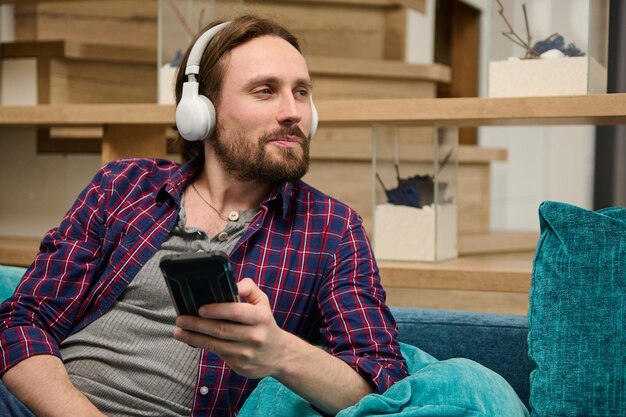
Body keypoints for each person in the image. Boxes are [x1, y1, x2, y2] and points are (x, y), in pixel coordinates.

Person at [0, 15, 408, 417]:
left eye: (301, 92)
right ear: (201, 111)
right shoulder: (123, 185)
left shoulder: (333, 229)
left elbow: (383, 383)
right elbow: (22, 322)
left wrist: (280, 352)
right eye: (266, 91)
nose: (294, 112)